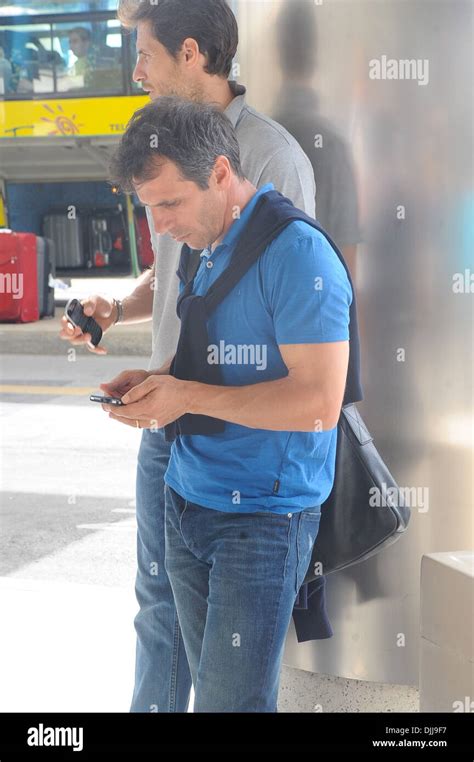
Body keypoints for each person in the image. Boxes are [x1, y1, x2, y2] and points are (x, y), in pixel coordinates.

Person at [60, 0, 330, 713]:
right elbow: (183, 279)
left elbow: (307, 373)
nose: (136, 72)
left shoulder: (272, 178)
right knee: (160, 620)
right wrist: (127, 325)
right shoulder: (177, 176)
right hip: (178, 441)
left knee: (230, 694)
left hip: (255, 478)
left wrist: (185, 392)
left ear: (189, 53)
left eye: (144, 54)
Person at [105, 95, 352, 712]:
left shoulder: (298, 254)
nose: (159, 227)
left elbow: (320, 402)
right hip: (187, 501)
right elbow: (216, 359)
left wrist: (184, 394)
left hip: (262, 522)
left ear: (220, 172)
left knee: (228, 705)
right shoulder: (203, 243)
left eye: (169, 204)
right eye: (148, 208)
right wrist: (158, 378)